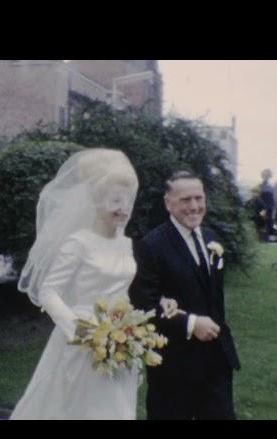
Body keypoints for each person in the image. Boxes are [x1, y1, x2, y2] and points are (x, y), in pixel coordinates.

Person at [10, 149, 178, 420]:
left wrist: (156, 304)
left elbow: (125, 289)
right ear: (97, 201)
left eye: (127, 201)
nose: (124, 208)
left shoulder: (125, 244)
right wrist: (80, 330)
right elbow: (49, 291)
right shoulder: (79, 243)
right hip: (82, 343)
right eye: (115, 201)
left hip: (122, 342)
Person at [129, 171, 241, 420]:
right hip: (174, 366)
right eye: (185, 200)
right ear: (168, 203)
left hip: (216, 360)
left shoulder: (212, 238)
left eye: (198, 198)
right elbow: (143, 306)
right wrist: (190, 323)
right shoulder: (151, 246)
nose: (194, 206)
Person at [259, 169, 275, 240]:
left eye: (267, 175)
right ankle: (261, 237)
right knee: (261, 221)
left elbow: (273, 198)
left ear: (270, 176)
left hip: (269, 207)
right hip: (261, 207)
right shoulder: (259, 185)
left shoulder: (272, 185)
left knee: (269, 221)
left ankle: (270, 237)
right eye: (264, 175)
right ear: (262, 175)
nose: (266, 176)